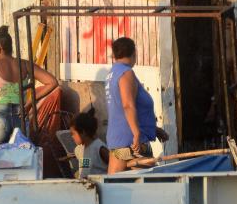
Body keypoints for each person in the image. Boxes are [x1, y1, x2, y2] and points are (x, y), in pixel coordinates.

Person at [0, 25, 58, 145]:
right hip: (20, 116)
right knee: (20, 157)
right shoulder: (25, 64)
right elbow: (52, 82)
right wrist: (30, 102)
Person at [106, 37, 169, 174]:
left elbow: (124, 110)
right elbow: (128, 105)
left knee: (114, 187)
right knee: (152, 187)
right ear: (134, 53)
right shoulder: (125, 73)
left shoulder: (113, 73)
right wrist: (136, 134)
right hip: (131, 145)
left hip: (121, 143)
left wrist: (154, 129)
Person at [70, 109, 109, 178]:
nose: (72, 137)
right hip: (85, 186)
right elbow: (85, 169)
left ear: (83, 132)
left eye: (73, 134)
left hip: (99, 186)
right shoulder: (79, 150)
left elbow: (114, 167)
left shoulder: (99, 148)